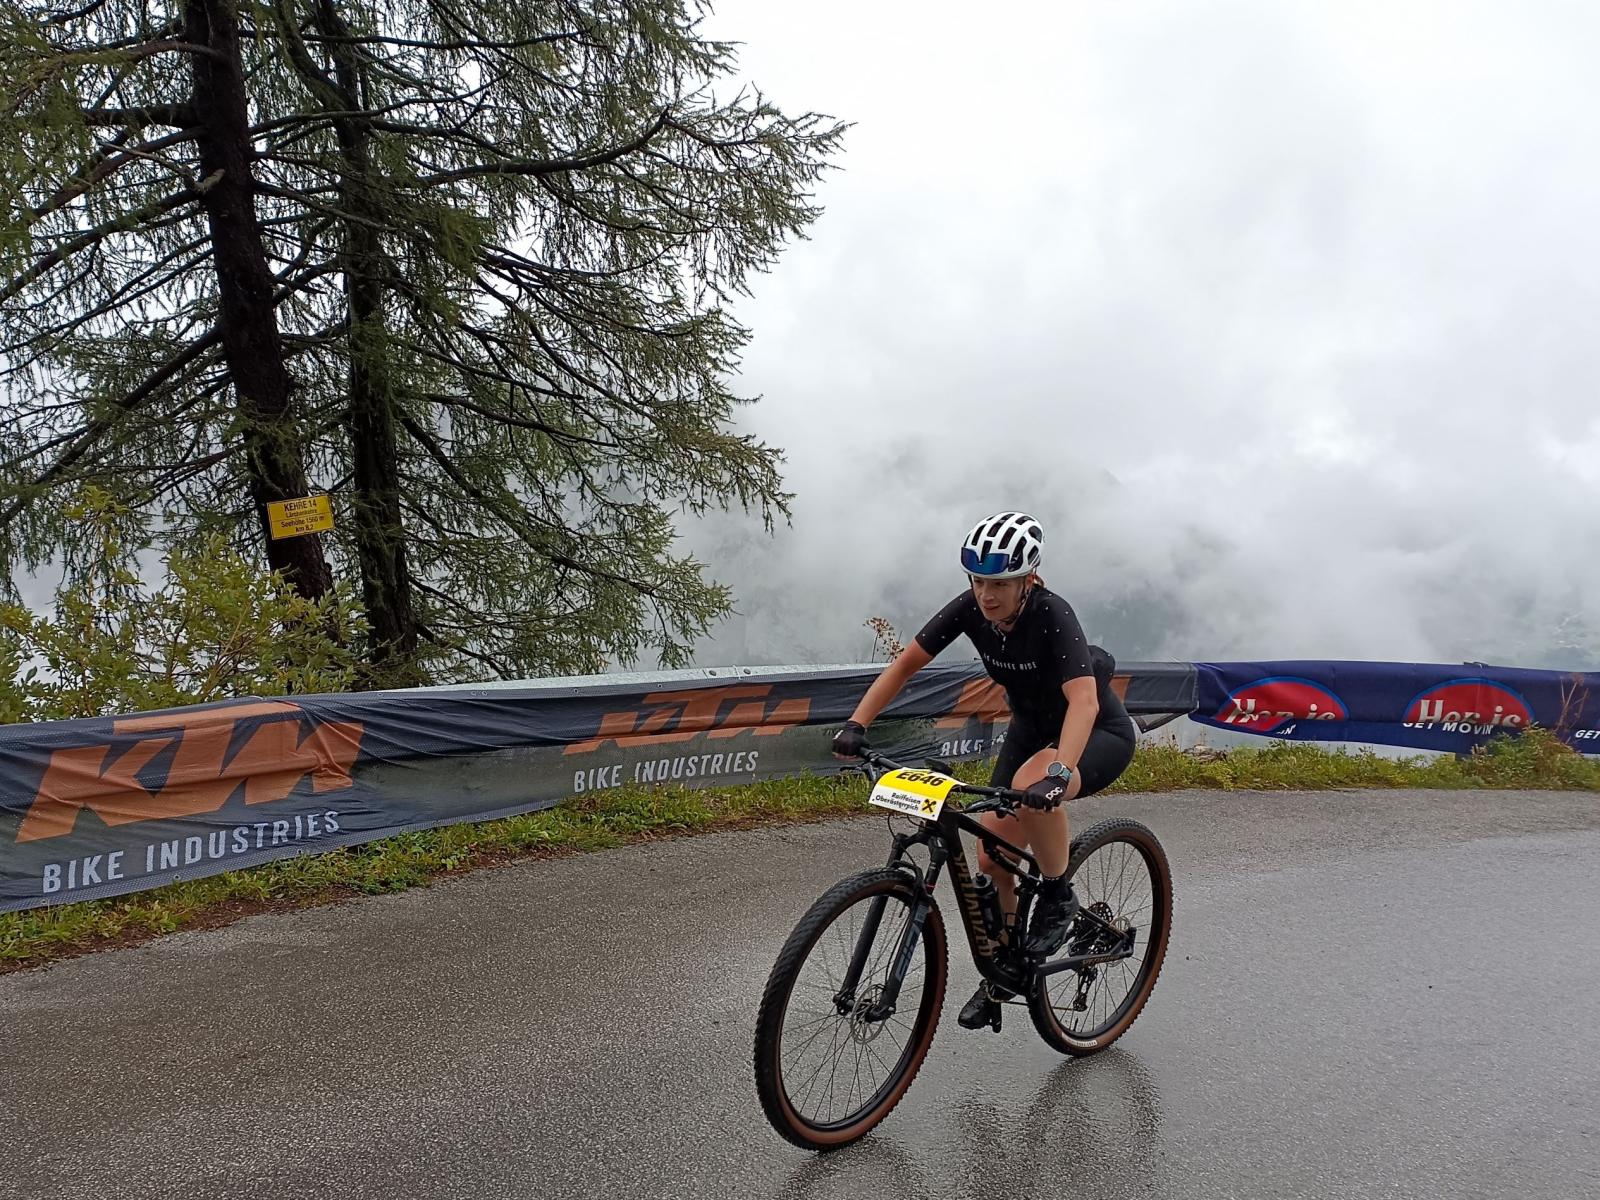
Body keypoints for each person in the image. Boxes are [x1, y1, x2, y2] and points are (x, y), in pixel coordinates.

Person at [831, 511, 1138, 1032]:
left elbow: (1083, 701)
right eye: (977, 580)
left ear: (1028, 579)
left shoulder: (1052, 614)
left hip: (1094, 733)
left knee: (1028, 788)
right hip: (1028, 728)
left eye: (999, 582)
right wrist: (856, 724)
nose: (986, 594)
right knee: (991, 851)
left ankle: (1060, 893)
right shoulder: (971, 608)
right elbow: (906, 664)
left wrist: (1060, 772)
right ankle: (1005, 973)